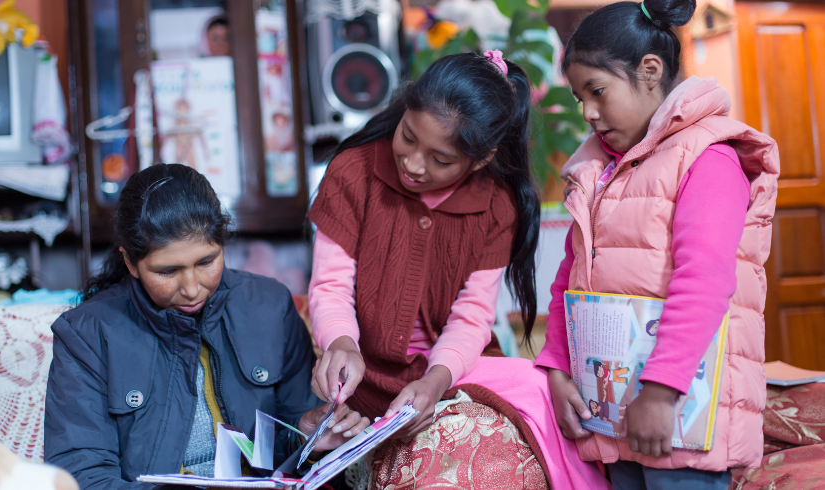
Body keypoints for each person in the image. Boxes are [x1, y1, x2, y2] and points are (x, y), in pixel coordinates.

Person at [307, 51, 609, 489]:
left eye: (440, 160)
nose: (413, 163)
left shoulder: (495, 206)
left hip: (450, 374)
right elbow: (330, 285)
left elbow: (471, 317)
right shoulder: (353, 173)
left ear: (482, 158)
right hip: (364, 381)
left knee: (539, 390)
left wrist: (434, 383)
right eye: (407, 136)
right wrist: (341, 345)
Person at [535, 0, 779, 488]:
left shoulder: (709, 159)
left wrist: (662, 391)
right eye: (580, 97)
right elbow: (571, 277)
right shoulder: (601, 172)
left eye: (597, 91)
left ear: (650, 71)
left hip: (682, 418)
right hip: (617, 414)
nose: (588, 112)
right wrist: (557, 364)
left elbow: (704, 281)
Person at [44, 164, 369, 489]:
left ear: (223, 243)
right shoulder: (86, 334)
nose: (191, 288)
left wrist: (305, 436)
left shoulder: (269, 306)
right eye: (167, 272)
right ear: (130, 262)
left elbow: (285, 442)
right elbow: (81, 474)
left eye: (206, 262)